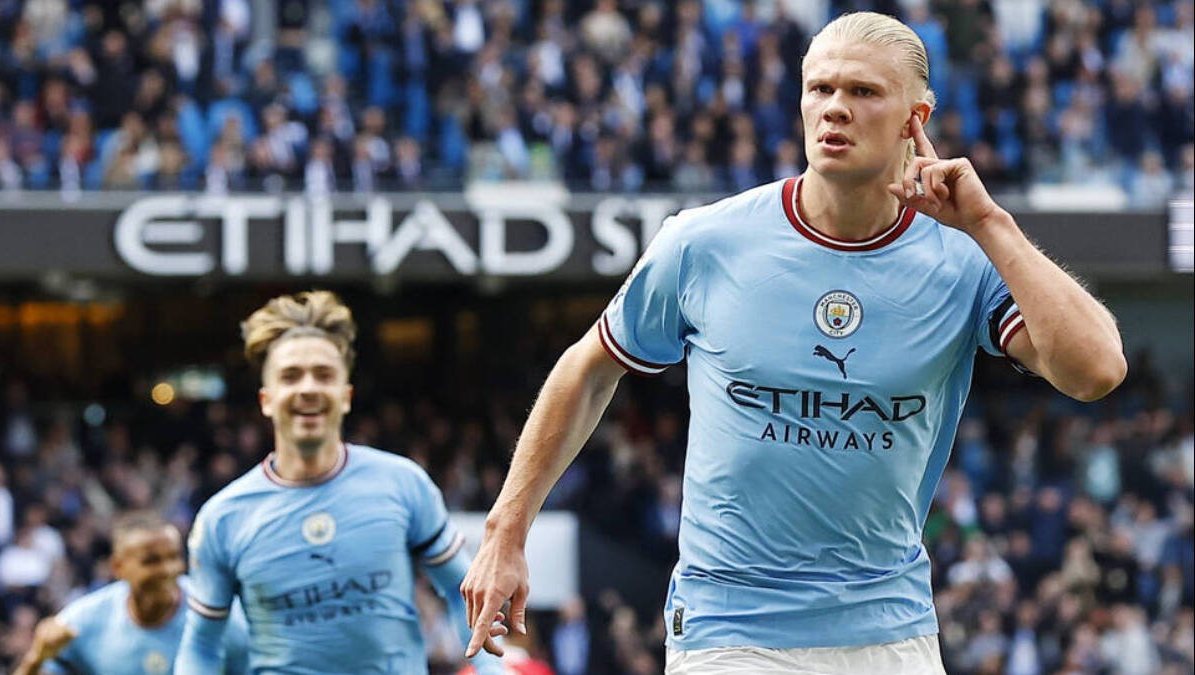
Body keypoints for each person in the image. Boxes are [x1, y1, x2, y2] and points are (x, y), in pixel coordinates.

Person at [462, 12, 1127, 674]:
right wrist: (506, 529)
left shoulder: (963, 259)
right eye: (820, 89)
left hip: (889, 631)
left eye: (863, 92)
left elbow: (1095, 370)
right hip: (729, 630)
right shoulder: (706, 242)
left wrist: (991, 224)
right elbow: (588, 368)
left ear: (915, 117)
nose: (835, 109)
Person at [175, 291, 505, 674]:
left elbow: (462, 594)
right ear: (266, 399)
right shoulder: (222, 518)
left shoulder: (403, 484)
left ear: (346, 396)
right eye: (291, 376)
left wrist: (495, 670)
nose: (309, 388)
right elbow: (201, 647)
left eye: (324, 374)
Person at [14, 511, 249, 675]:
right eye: (151, 561)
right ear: (118, 567)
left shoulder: (222, 616)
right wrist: (36, 657)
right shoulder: (82, 621)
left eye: (174, 557)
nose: (168, 569)